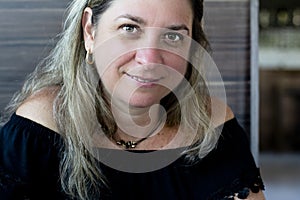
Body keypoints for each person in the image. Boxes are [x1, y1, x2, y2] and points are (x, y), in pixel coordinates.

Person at [0, 0, 265, 199]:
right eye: (129, 28)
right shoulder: (38, 131)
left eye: (173, 35)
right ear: (90, 30)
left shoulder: (213, 124)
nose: (149, 60)